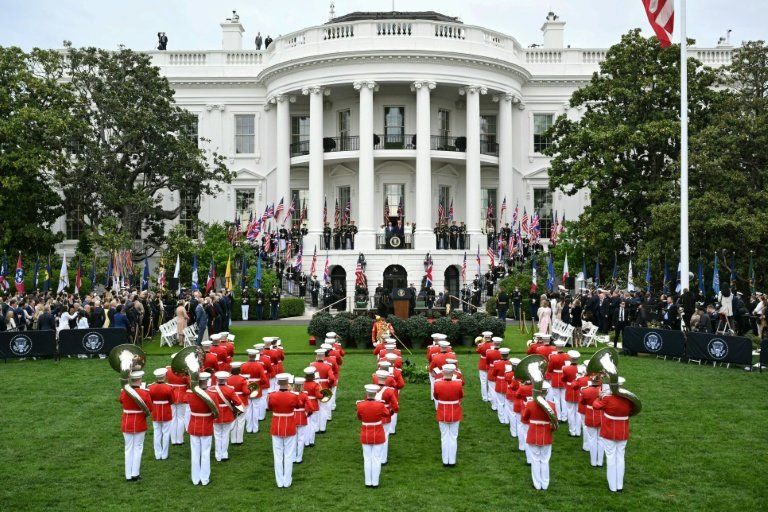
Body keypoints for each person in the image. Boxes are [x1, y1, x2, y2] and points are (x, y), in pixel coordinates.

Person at [592, 377, 636, 492]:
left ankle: (612, 486)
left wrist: (599, 397)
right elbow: (633, 410)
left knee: (611, 457)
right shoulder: (629, 399)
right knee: (620, 457)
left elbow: (595, 406)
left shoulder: (607, 398)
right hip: (623, 431)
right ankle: (619, 486)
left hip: (609, 431)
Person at [521, 381, 557, 491]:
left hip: (533, 434)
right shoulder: (552, 405)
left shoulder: (530, 404)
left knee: (535, 460)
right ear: (546, 392)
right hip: (546, 435)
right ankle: (545, 484)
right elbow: (555, 423)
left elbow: (524, 418)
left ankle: (537, 484)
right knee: (545, 460)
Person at [118, 370, 153, 482]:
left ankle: (128, 475)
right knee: (138, 448)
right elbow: (150, 408)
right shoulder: (144, 393)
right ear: (139, 380)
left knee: (128, 448)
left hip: (126, 422)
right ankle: (135, 474)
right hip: (139, 422)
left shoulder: (124, 392)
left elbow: (121, 400)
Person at [267, 373, 300, 488]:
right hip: (289, 426)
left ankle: (280, 482)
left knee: (278, 455)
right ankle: (287, 481)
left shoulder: (272, 395)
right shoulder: (293, 396)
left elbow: (270, 407)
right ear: (287, 383)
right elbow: (298, 405)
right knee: (289, 455)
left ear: (277, 383)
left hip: (276, 426)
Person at [357, 383, 391, 488]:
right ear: (376, 393)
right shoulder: (380, 405)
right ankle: (375, 482)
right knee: (376, 458)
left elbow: (359, 417)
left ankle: (368, 482)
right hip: (378, 433)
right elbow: (387, 414)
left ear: (366, 393)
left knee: (367, 459)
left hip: (366, 434)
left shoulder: (360, 405)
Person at [186, 372, 216, 486]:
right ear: (207, 381)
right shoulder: (212, 395)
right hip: (206, 425)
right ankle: (204, 479)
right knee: (205, 453)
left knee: (195, 453)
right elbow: (216, 412)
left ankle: (195, 479)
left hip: (194, 425)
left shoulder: (190, 394)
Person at [433, 364, 463, 467]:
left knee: (444, 437)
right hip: (455, 412)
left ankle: (445, 461)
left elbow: (436, 396)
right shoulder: (458, 383)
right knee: (453, 437)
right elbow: (461, 396)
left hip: (442, 412)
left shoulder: (437, 383)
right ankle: (452, 461)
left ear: (443, 372)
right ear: (453, 372)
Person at [148, 368, 174, 460]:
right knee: (166, 433)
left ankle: (157, 454)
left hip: (155, 411)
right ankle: (164, 454)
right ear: (164, 377)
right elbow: (172, 401)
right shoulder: (169, 387)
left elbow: (149, 400)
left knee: (157, 433)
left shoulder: (151, 387)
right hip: (166, 411)